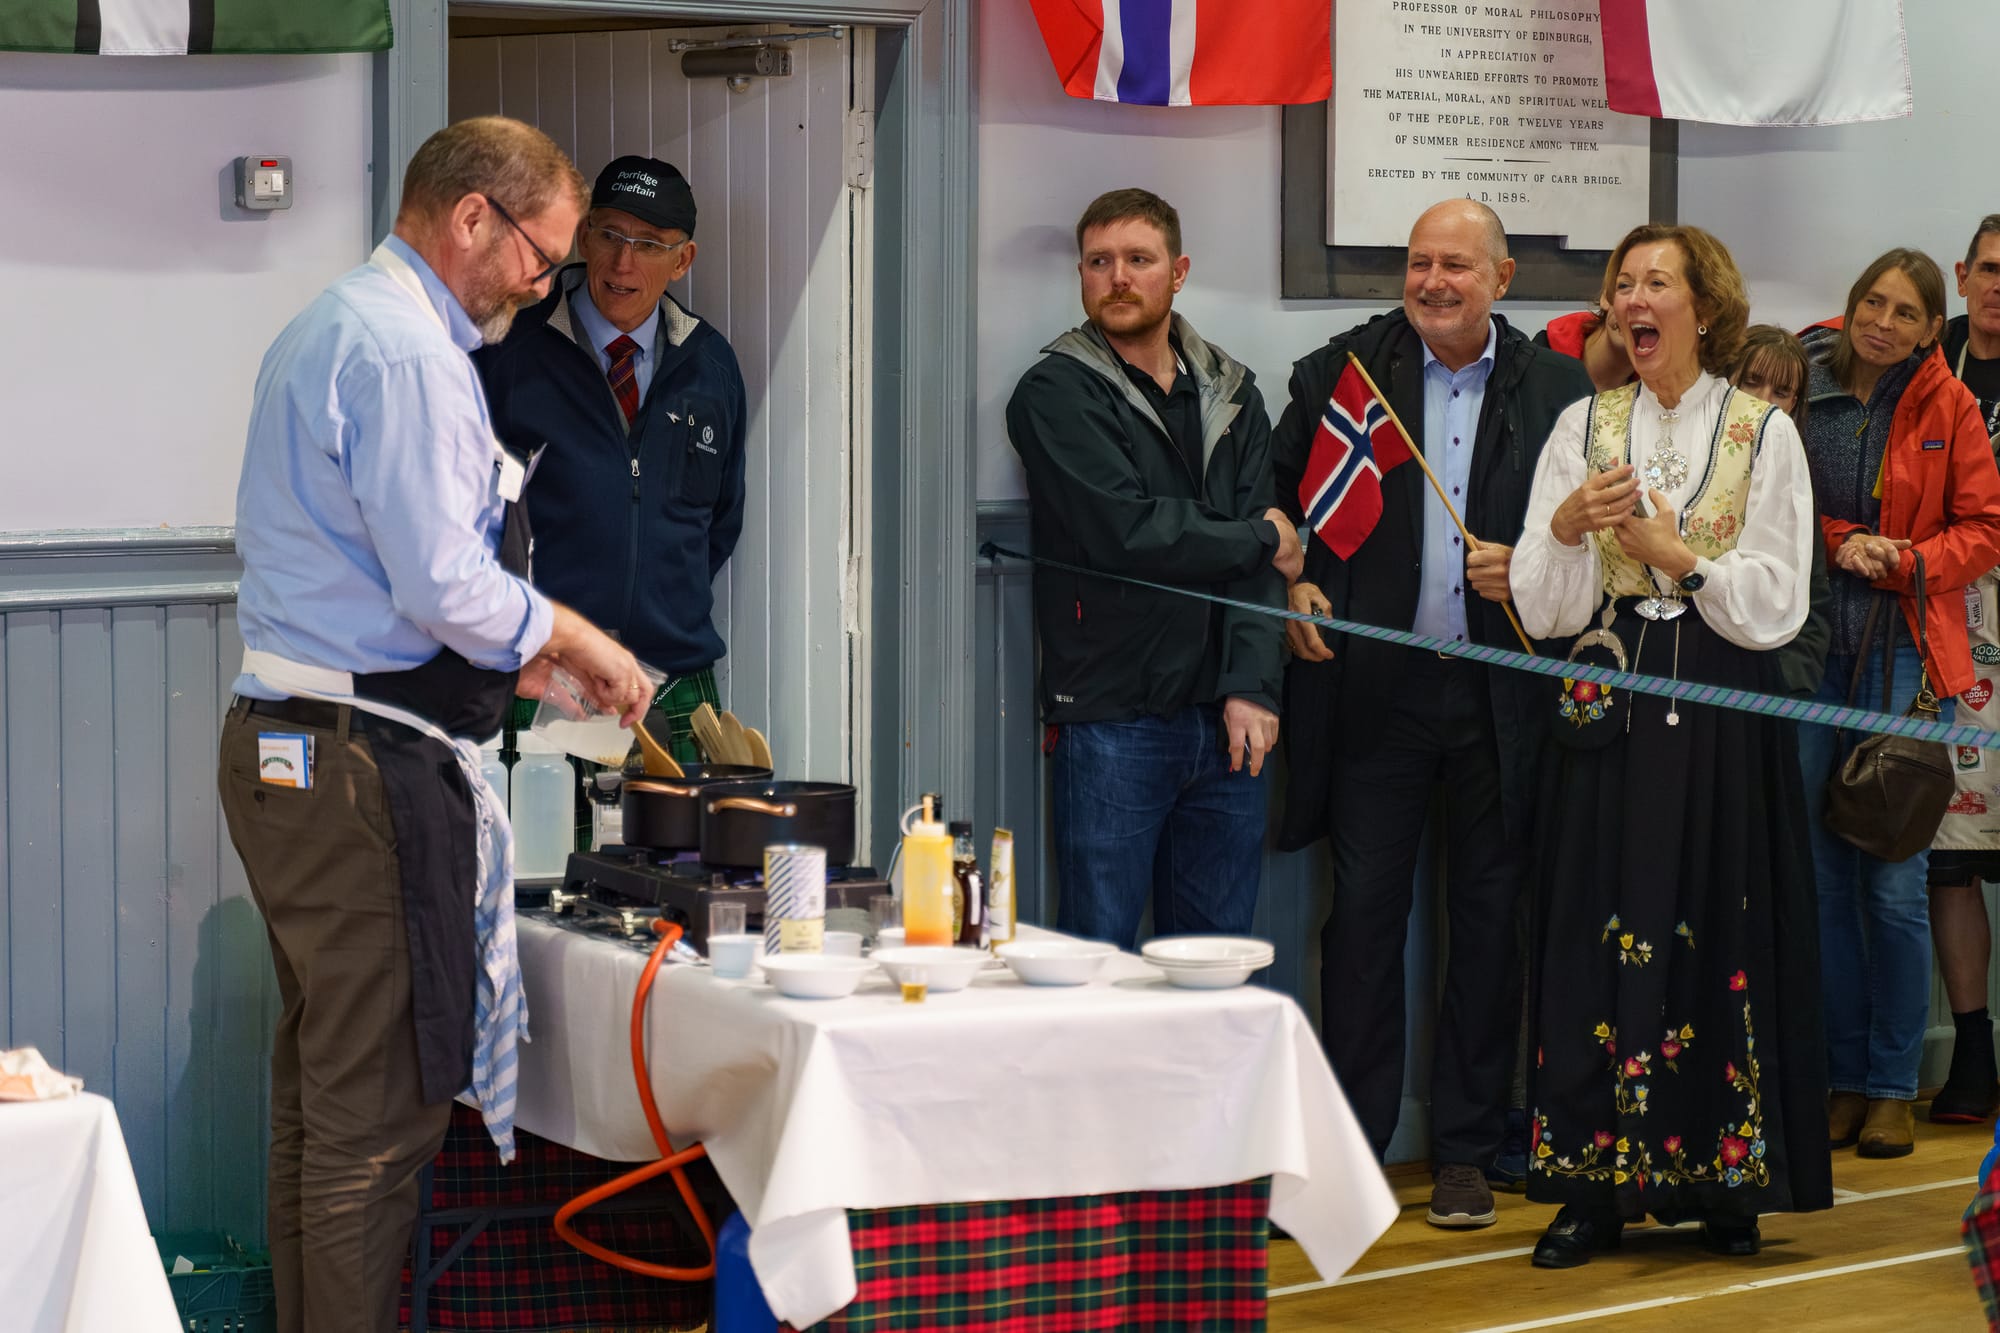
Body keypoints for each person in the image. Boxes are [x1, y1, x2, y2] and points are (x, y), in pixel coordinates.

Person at [218, 117, 654, 1333]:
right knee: (376, 1117)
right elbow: (442, 587)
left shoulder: (330, 322)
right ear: (472, 216)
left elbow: (370, 583)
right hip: (360, 768)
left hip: (287, 740)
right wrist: (578, 640)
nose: (543, 281)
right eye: (542, 254)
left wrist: (526, 675)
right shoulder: (409, 355)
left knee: (321, 1097)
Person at [1271, 199, 1593, 1230]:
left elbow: (1595, 538)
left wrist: (1533, 562)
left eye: (1456, 265)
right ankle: (1353, 1149)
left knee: (1488, 927)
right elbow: (1280, 502)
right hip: (1378, 693)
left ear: (1501, 278)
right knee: (1361, 924)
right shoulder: (1344, 377)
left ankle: (1463, 1146)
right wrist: (1295, 583)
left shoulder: (1557, 389)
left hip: (1502, 697)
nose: (1433, 282)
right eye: (1417, 263)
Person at [1511, 223, 1828, 1267]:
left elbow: (1778, 603)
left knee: (1716, 928)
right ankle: (1586, 1188)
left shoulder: (1759, 432)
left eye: (1656, 283)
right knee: (1588, 936)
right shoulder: (1580, 424)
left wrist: (1675, 558)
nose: (1632, 301)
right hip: (1606, 719)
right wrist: (1562, 531)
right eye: (1621, 286)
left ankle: (1722, 1182)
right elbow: (1543, 609)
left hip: (1721, 713)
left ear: (1703, 305)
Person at [1006, 187, 1297, 951]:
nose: (1119, 278)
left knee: (1216, 959)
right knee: (1096, 958)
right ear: (1080, 275)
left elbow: (1259, 559)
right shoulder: (1054, 392)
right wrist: (1262, 541)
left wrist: (1253, 685)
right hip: (1111, 719)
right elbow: (1129, 533)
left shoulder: (1233, 392)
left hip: (1229, 724)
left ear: (1179, 271)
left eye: (1139, 259)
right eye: (1100, 262)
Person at [1799, 248, 2000, 1160]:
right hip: (1805, 660)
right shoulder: (1805, 378)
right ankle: (1841, 1076)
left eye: (1906, 313)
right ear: (1851, 305)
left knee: (1891, 882)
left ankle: (1890, 1085)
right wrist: (1845, 542)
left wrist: (1911, 560)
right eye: (1871, 302)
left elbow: (1984, 529)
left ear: (1931, 328)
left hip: (1904, 663)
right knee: (1824, 880)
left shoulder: (1949, 404)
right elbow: (1780, 505)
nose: (1883, 321)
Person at [477, 155, 747, 764]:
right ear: (584, 235)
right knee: (539, 859)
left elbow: (720, 521)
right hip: (541, 674)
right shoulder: (508, 349)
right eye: (611, 236)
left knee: (681, 861)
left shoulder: (711, 366)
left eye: (650, 244)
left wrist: (658, 608)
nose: (624, 263)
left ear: (683, 260)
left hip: (673, 680)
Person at [1928, 215, 2000, 1125]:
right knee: (1950, 858)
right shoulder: (1929, 368)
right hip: (1948, 632)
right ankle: (1972, 1056)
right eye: (1988, 269)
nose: (1999, 287)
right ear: (1963, 273)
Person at [1727, 325, 1833, 697]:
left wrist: (1792, 679)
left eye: (1781, 391)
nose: (1764, 401)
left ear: (1795, 403)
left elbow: (1812, 591)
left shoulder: (1795, 472)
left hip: (1771, 682)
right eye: (1752, 382)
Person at [1535, 298, 1637, 393]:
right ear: (1606, 297)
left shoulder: (1649, 397)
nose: (1639, 306)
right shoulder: (1532, 364)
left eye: (1653, 294)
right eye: (1626, 286)